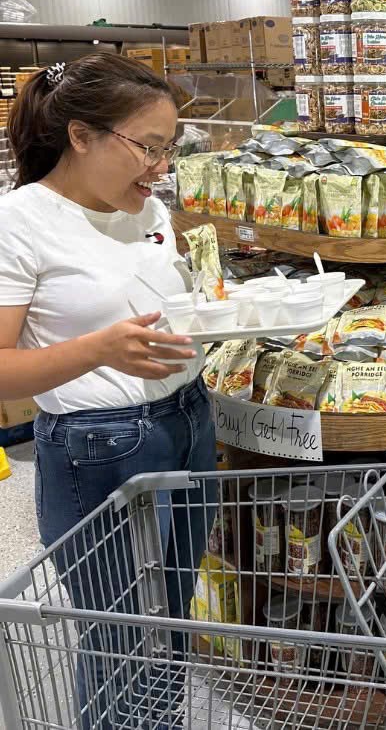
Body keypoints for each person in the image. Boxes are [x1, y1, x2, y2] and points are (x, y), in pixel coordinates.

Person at [0, 54, 215, 730]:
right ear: (81, 136)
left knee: (173, 618)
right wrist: (102, 349)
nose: (160, 166)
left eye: (168, 148)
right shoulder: (21, 222)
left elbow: (163, 306)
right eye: (148, 147)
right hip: (99, 448)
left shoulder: (149, 207)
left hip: (188, 419)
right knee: (120, 632)